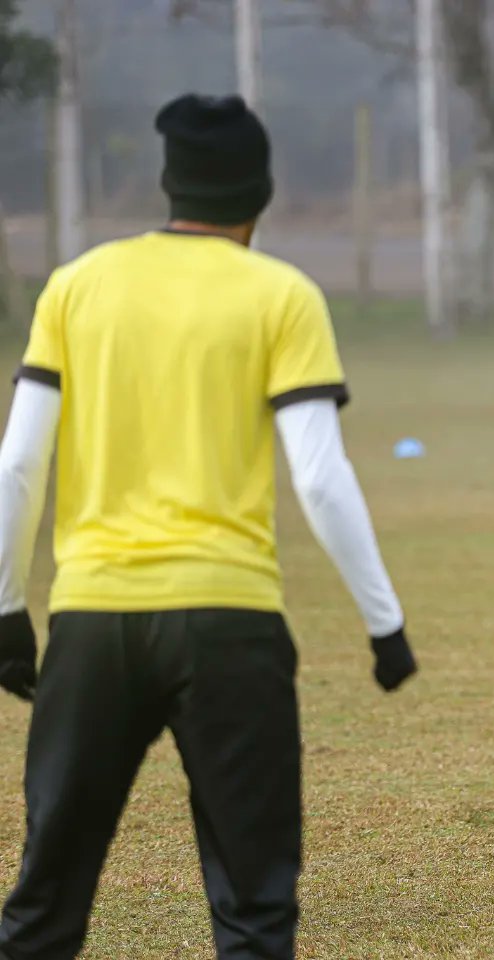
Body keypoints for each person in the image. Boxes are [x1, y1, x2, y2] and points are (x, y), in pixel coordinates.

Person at [0, 95, 417, 959]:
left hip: (93, 623)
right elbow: (319, 475)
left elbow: (17, 466)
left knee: (42, 911)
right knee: (255, 912)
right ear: (260, 197)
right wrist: (384, 624)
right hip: (231, 628)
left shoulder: (77, 285)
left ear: (169, 184)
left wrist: (5, 608)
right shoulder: (282, 295)